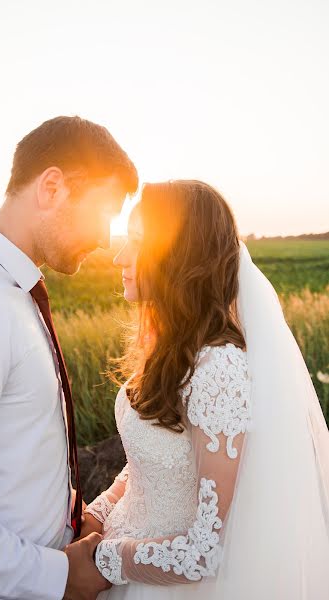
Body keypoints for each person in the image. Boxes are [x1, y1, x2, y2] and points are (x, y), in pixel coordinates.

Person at [75, 180, 329, 599]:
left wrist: (102, 561)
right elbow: (158, 458)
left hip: (160, 584)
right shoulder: (171, 348)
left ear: (179, 254)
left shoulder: (219, 369)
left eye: (136, 242)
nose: (119, 256)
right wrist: (99, 511)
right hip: (123, 563)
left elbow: (205, 551)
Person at [0, 116, 138, 600]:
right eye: (102, 212)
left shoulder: (12, 294)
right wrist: (58, 576)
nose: (106, 239)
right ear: (52, 187)